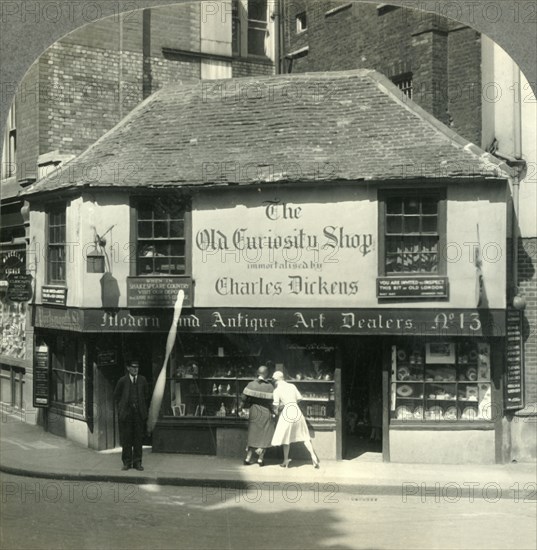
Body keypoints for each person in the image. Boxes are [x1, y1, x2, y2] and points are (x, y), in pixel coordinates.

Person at [271, 370, 320, 468]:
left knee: (286, 438)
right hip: (296, 410)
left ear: (275, 380)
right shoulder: (292, 386)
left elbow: (275, 406)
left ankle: (285, 460)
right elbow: (300, 398)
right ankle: (313, 456)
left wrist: (276, 412)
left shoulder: (276, 390)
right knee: (305, 436)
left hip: (287, 412)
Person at [114, 360, 149, 471]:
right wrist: (122, 409)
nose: (135, 369)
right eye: (133, 367)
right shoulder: (122, 381)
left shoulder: (142, 380)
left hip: (139, 414)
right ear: (128, 368)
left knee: (138, 439)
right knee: (127, 439)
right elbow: (116, 396)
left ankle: (137, 462)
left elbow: (146, 395)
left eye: (137, 367)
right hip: (127, 415)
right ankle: (127, 462)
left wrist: (142, 408)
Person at [240, 365, 275, 466]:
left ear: (257, 372)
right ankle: (260, 459)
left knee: (253, 434)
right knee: (265, 434)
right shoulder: (270, 386)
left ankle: (248, 458)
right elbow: (272, 402)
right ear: (267, 374)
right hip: (266, 411)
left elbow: (243, 398)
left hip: (254, 411)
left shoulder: (251, 384)